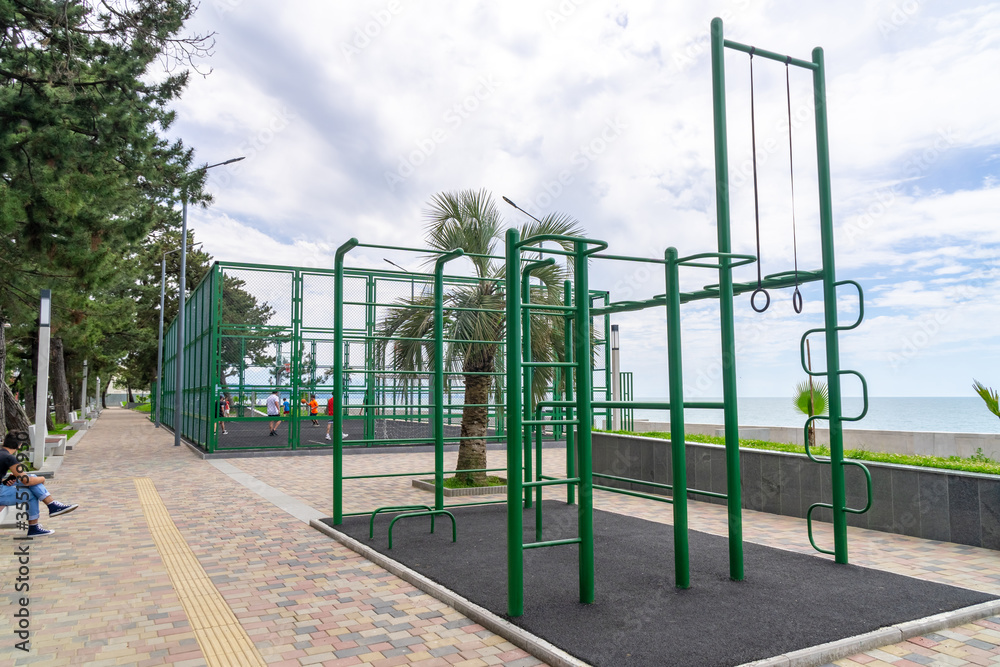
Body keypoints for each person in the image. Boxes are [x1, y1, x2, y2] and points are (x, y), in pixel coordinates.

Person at [0, 431, 78, 537]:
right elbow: (26, 481)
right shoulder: (9, 458)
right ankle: (35, 526)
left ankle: (52, 506)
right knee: (31, 493)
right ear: (19, 445)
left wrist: (4, 482)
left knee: (32, 477)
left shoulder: (2, 454)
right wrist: (42, 478)